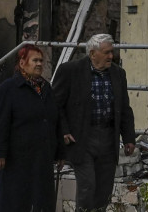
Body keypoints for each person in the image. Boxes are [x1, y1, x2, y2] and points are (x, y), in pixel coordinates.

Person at [54, 33, 136, 212]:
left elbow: (124, 108)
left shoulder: (118, 73)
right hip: (82, 137)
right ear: (92, 54)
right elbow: (56, 105)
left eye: (111, 52)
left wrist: (129, 137)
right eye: (106, 52)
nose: (110, 56)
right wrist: (64, 131)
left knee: (104, 188)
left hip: (108, 137)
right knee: (87, 185)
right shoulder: (70, 71)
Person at [0, 44, 60, 212]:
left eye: (41, 61)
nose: (39, 64)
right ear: (22, 63)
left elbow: (54, 119)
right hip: (17, 157)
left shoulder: (45, 88)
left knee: (41, 200)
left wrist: (60, 152)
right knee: (15, 201)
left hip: (41, 156)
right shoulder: (9, 88)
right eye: (34, 60)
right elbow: (0, 122)